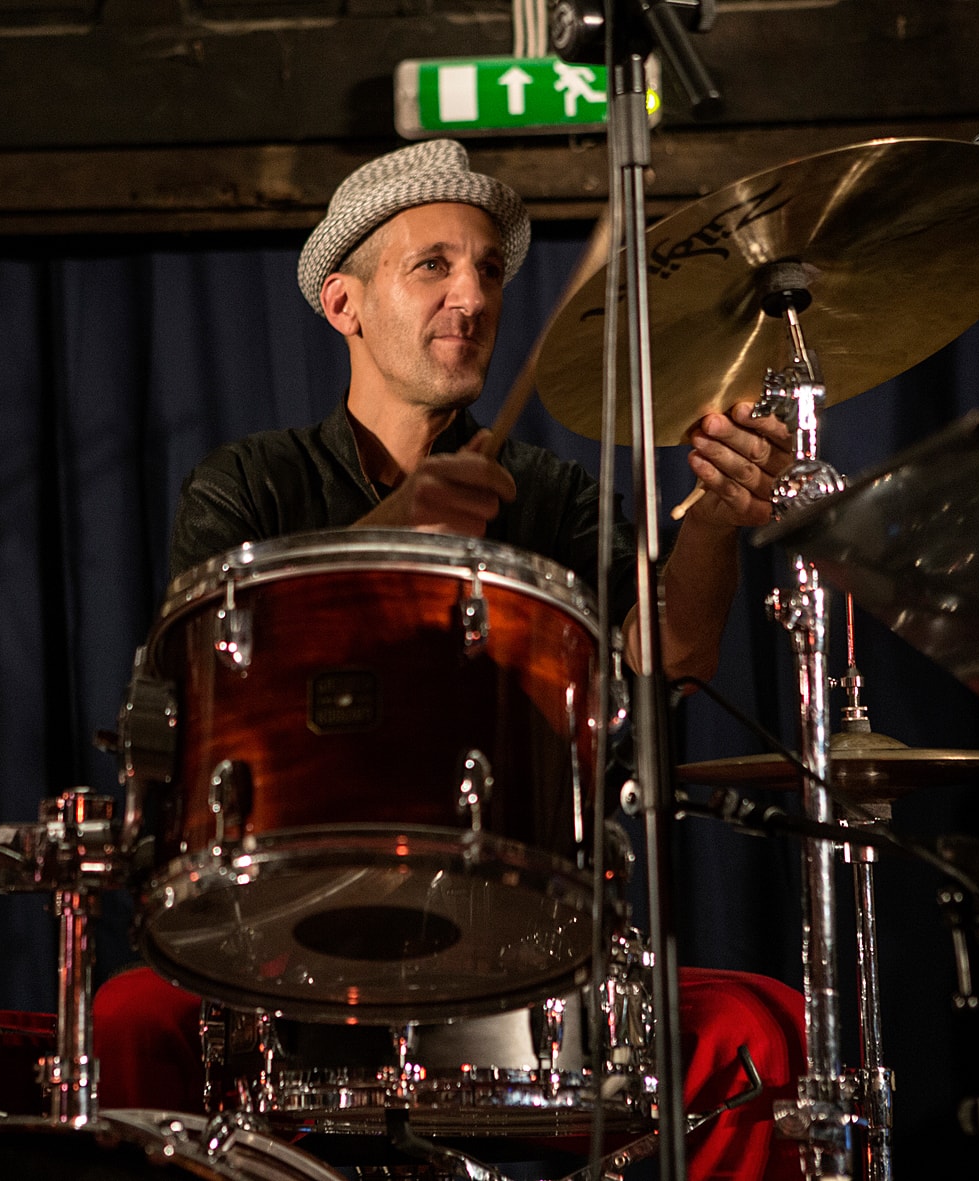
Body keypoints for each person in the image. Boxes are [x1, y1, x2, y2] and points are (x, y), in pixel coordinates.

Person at [95, 139, 805, 1181]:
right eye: (432, 265)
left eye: (488, 270)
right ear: (343, 303)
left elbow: (671, 656)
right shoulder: (246, 487)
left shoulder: (551, 495)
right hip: (280, 943)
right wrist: (401, 529)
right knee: (124, 1017)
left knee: (758, 1024)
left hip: (513, 939)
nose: (470, 297)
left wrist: (713, 523)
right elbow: (204, 683)